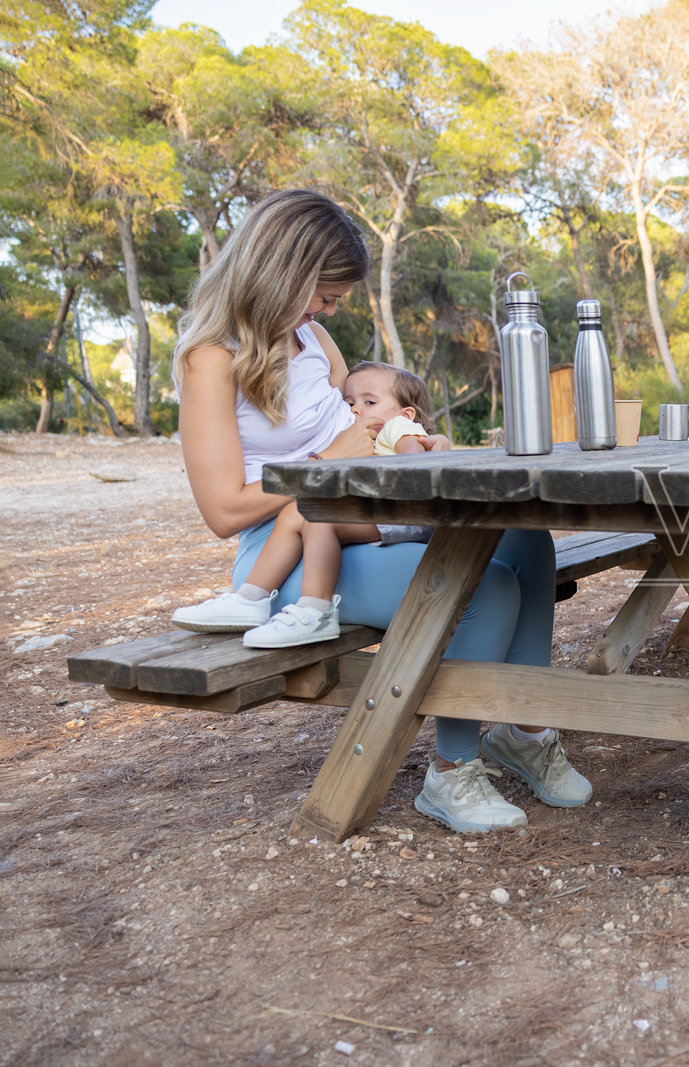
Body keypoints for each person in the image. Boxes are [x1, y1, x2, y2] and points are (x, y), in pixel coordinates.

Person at [173, 188, 592, 833]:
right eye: (324, 293)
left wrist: (413, 447)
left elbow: (364, 431)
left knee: (523, 540)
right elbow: (224, 511)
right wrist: (326, 465)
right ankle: (452, 773)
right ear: (279, 272)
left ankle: (524, 726)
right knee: (482, 584)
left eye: (334, 300)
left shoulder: (314, 342)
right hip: (284, 552)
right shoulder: (211, 359)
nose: (326, 309)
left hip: (353, 520)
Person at [172, 360, 449, 648]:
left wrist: (420, 445)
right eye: (349, 401)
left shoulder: (397, 427)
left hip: (399, 512)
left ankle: (316, 611)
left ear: (406, 412)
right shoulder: (368, 435)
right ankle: (250, 599)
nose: (355, 410)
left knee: (320, 519)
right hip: (373, 510)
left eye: (369, 402)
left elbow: (415, 462)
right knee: (300, 510)